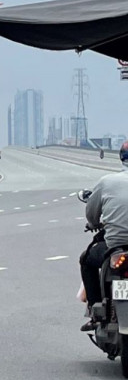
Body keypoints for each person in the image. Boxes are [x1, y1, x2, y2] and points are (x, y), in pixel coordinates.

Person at [80, 140, 128, 331]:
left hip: (114, 247)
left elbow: (91, 213)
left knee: (86, 260)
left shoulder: (107, 181)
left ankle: (94, 309)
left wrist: (93, 224)